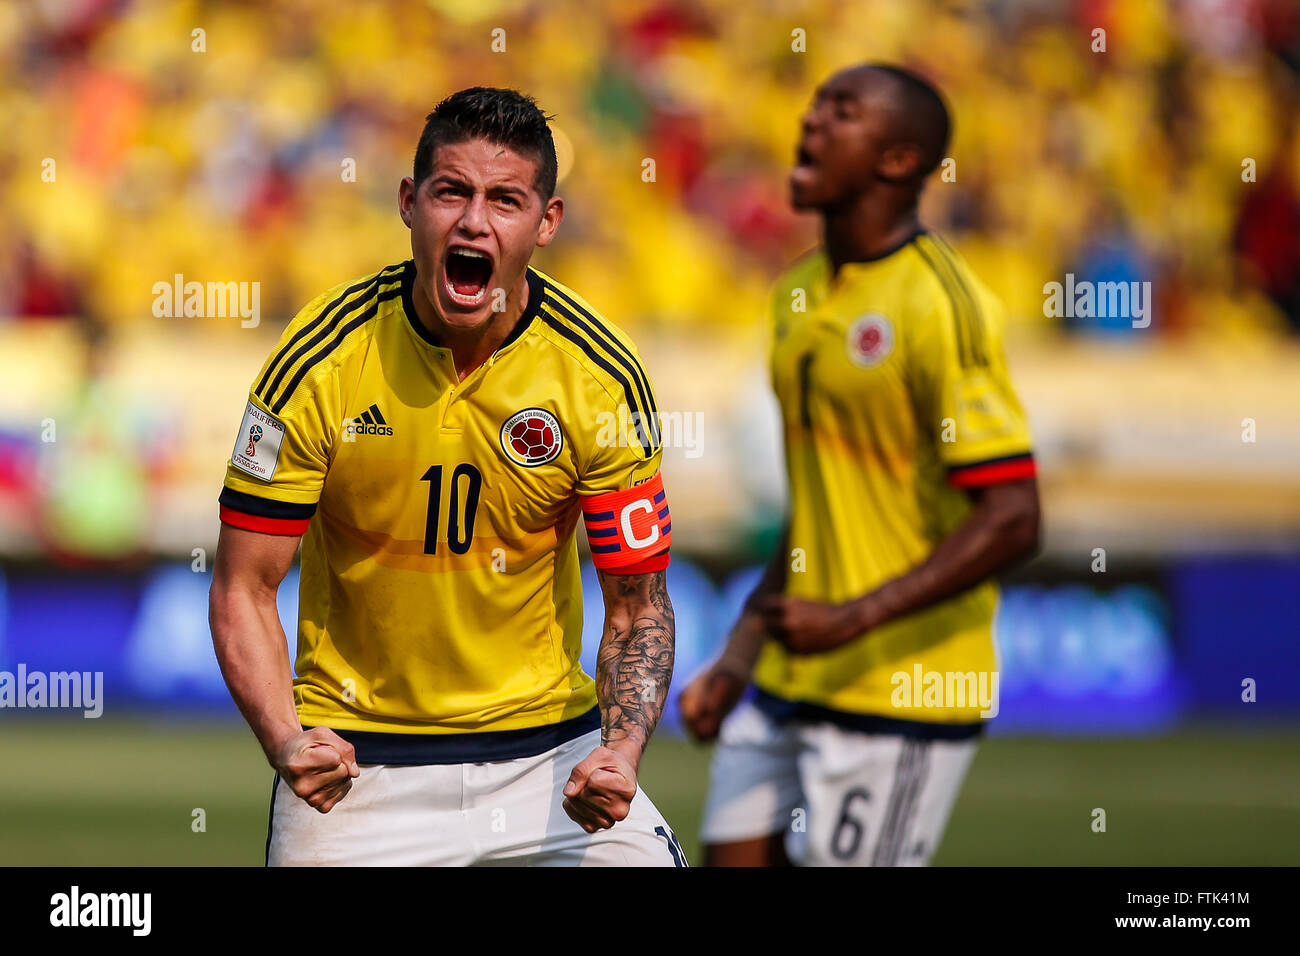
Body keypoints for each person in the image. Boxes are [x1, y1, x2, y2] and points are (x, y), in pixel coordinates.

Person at [209, 87, 685, 866]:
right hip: (358, 771)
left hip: (550, 762)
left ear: (547, 222)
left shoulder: (598, 376)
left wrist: (620, 753)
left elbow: (638, 609)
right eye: (450, 192)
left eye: (505, 199)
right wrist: (286, 740)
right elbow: (242, 587)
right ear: (408, 203)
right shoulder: (319, 361)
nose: (473, 221)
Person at [680, 64, 1041, 867]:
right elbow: (821, 504)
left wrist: (853, 616)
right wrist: (740, 651)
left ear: (899, 159)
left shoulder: (942, 304)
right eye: (813, 105)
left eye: (840, 112)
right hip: (791, 667)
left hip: (900, 685)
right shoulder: (797, 293)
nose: (809, 122)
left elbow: (1015, 516)